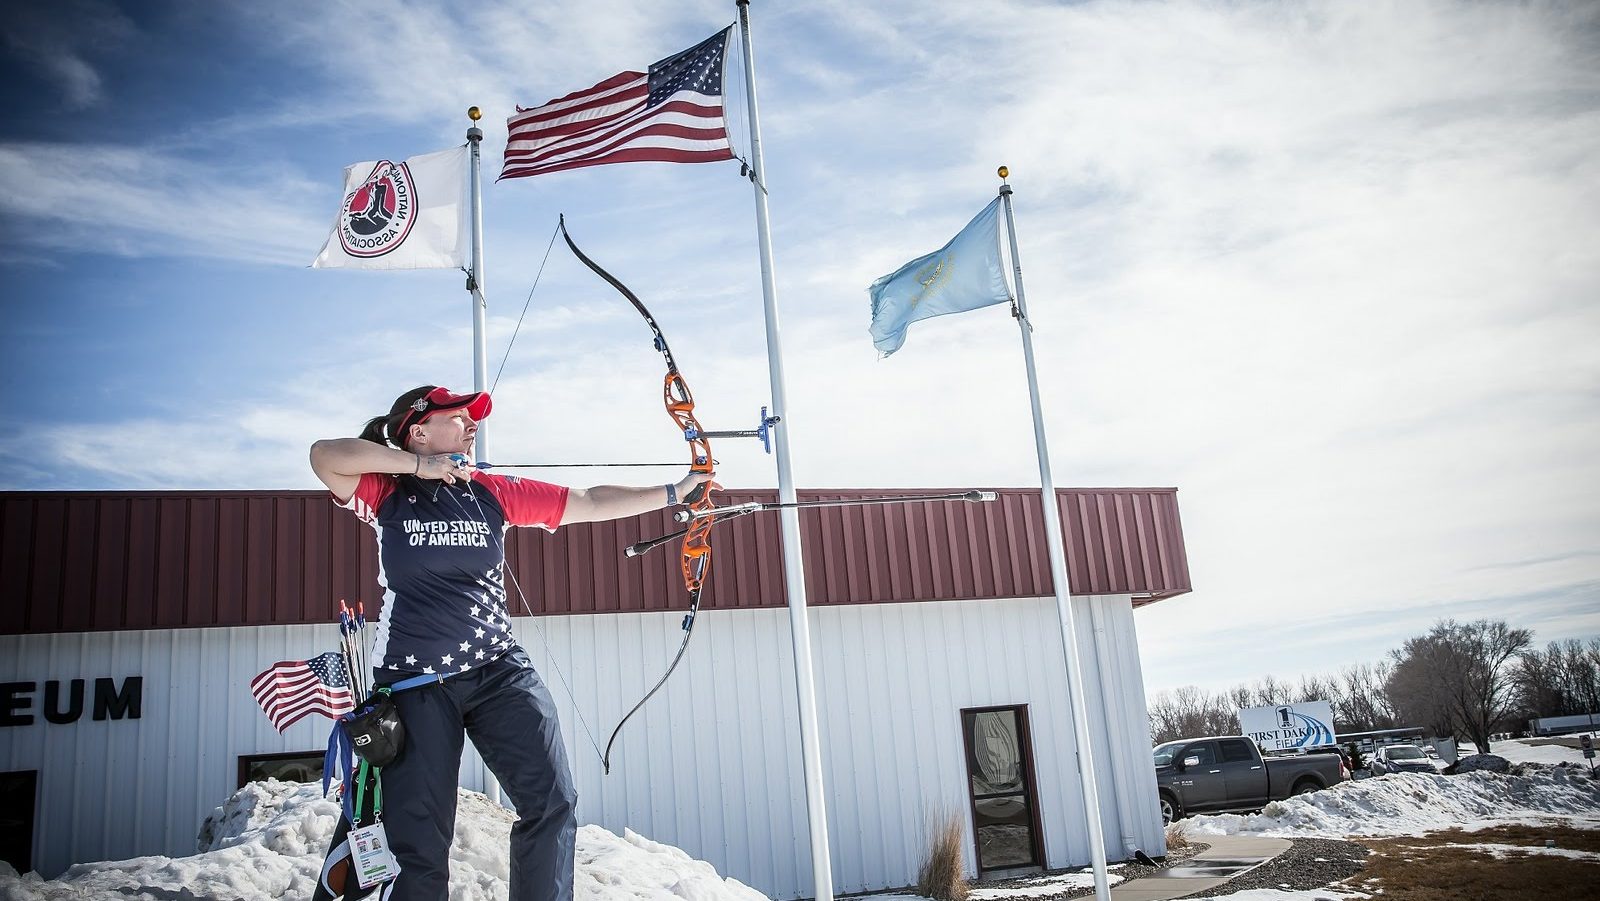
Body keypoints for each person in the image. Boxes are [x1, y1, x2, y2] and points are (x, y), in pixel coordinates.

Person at [310, 385, 713, 901]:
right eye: (458, 417)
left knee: (553, 801)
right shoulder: (384, 490)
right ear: (418, 430)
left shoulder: (490, 491)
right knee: (419, 841)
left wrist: (678, 491)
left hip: (498, 670)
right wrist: (417, 468)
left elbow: (588, 502)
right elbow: (324, 455)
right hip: (416, 683)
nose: (472, 425)